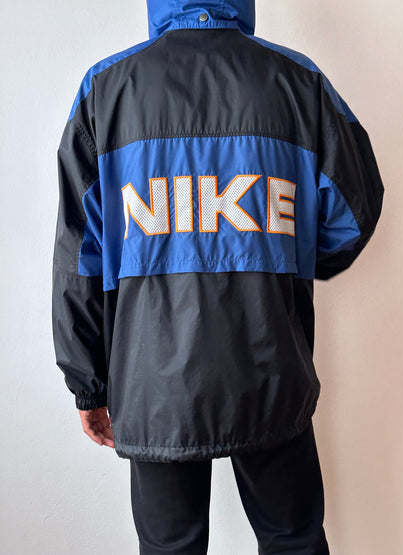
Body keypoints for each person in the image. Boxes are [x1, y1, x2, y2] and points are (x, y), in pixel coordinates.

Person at [51, 0, 384, 553]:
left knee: (171, 549)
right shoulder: (297, 81)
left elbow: (78, 256)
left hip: (154, 387)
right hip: (270, 367)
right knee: (293, 541)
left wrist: (88, 382)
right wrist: (293, 259)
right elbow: (354, 212)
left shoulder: (105, 90)